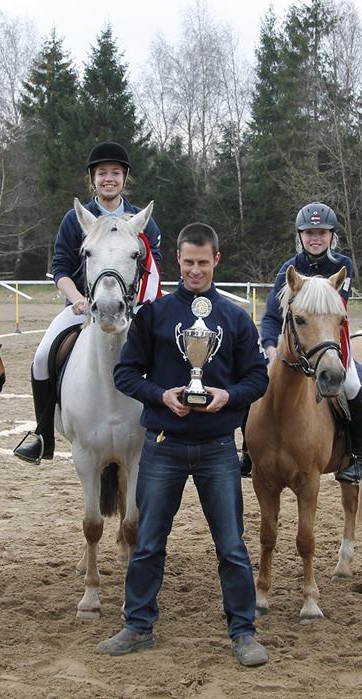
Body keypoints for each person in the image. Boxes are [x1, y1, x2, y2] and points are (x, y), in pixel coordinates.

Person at [97, 223, 270, 667]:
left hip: (216, 448)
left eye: (203, 262)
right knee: (150, 541)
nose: (195, 270)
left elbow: (257, 377)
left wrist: (229, 396)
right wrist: (161, 395)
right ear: (178, 259)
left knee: (231, 545)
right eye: (189, 262)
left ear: (217, 260)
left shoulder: (234, 317)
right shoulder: (154, 315)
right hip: (163, 443)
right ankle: (138, 626)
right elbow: (126, 373)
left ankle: (243, 632)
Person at [14, 141, 162, 464]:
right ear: (92, 179)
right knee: (41, 357)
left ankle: (165, 429)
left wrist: (140, 304)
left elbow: (154, 268)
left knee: (163, 356)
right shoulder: (75, 219)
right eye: (102, 173)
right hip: (82, 307)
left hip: (131, 307)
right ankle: (43, 436)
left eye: (116, 173)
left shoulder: (143, 221)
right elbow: (61, 268)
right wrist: (78, 299)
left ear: (125, 178)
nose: (109, 178)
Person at [240, 202, 362, 484]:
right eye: (309, 233)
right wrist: (270, 348)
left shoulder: (342, 266)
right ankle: (248, 452)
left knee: (354, 387)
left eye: (322, 232)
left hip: (330, 341)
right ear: (300, 236)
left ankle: (357, 456)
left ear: (333, 236)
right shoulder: (289, 268)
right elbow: (272, 315)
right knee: (254, 383)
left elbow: (333, 312)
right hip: (290, 345)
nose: (315, 238)